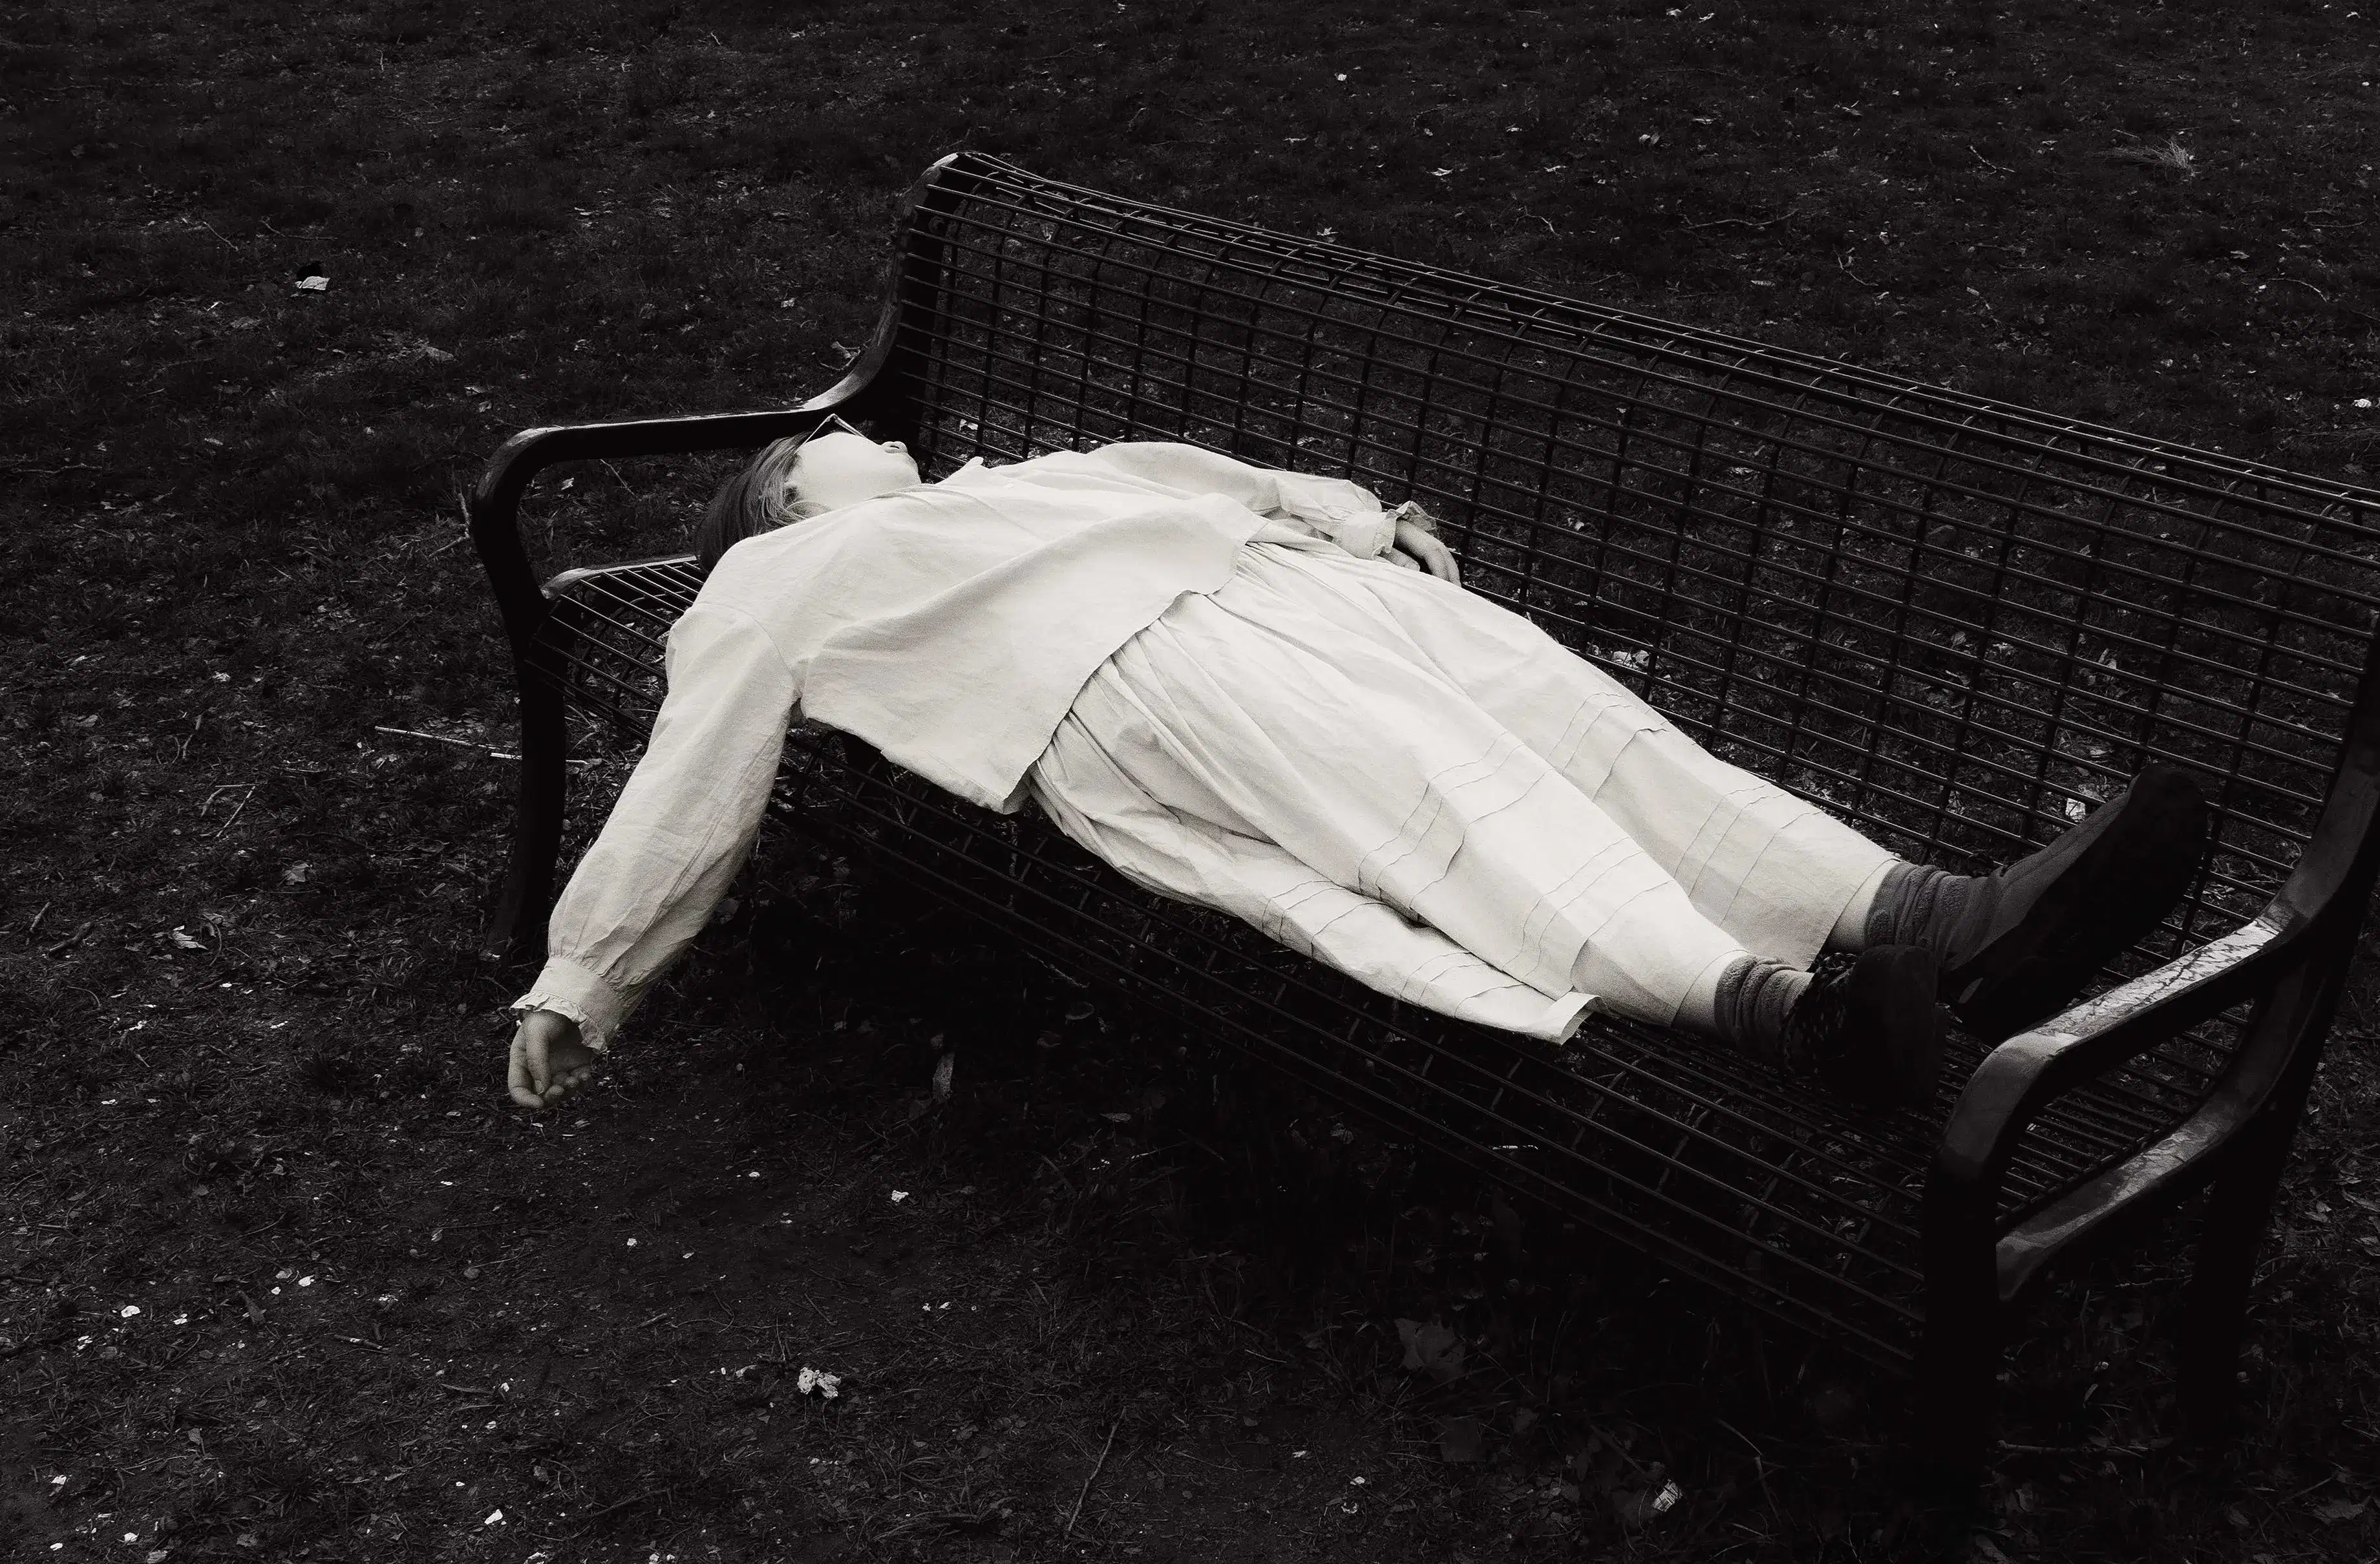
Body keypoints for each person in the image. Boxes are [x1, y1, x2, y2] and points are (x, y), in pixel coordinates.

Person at [503, 421, 2207, 1113]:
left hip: (1286, 590)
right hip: (1132, 675)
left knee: (1595, 739)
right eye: (823, 444)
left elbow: (1197, 469)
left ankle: (1936, 918)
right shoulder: (775, 582)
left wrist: (1347, 519)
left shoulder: (1023, 477)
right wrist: (589, 970)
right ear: (794, 497)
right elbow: (693, 764)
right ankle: (1793, 1018)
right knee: (1462, 814)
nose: (864, 435)